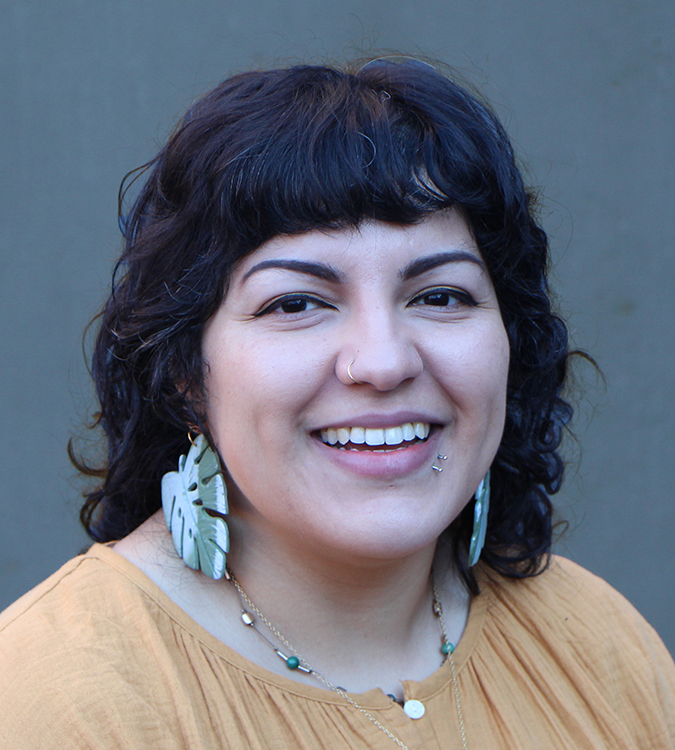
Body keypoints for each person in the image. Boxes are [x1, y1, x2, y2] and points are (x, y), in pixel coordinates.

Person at [1, 59, 674, 750]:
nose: (383, 362)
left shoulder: (599, 647)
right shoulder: (62, 701)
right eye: (296, 303)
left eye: (440, 295)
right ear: (184, 373)